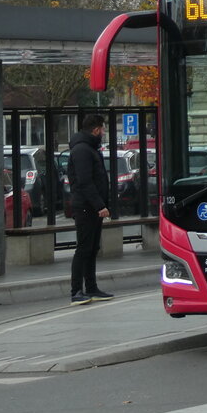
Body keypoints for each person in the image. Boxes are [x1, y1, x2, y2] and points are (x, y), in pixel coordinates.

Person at [67, 114, 114, 305]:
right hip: (86, 207)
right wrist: (99, 205)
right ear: (95, 129)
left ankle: (92, 288)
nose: (103, 133)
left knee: (93, 248)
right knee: (84, 248)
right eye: (102, 129)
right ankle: (76, 290)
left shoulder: (91, 149)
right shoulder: (82, 150)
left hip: (92, 207)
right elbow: (85, 181)